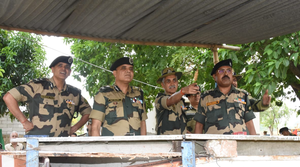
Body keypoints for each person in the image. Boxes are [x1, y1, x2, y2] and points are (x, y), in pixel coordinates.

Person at [3, 56, 91, 137]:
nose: (63, 69)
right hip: (38, 143)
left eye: (67, 67)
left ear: (70, 72)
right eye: (60, 65)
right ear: (52, 69)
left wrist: (74, 128)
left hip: (62, 143)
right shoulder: (38, 86)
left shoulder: (74, 93)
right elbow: (9, 97)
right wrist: (24, 121)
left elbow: (88, 112)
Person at [194, 59, 256, 135]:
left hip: (239, 143)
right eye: (221, 71)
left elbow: (249, 122)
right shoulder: (206, 97)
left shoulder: (243, 95)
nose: (226, 73)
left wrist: (254, 144)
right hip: (214, 144)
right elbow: (199, 124)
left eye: (229, 71)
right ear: (214, 77)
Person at [90, 57, 147, 136]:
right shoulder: (104, 94)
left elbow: (142, 123)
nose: (128, 71)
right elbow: (95, 126)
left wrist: (143, 146)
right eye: (123, 68)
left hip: (135, 146)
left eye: (131, 69)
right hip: (111, 147)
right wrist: (99, 147)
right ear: (115, 73)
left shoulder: (138, 94)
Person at [155, 67, 200, 135]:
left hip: (182, 143)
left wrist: (192, 134)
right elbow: (170, 100)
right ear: (163, 85)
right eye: (168, 81)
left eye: (174, 80)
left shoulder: (184, 101)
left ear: (177, 82)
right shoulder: (160, 99)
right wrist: (183, 91)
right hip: (165, 143)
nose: (172, 84)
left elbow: (193, 120)